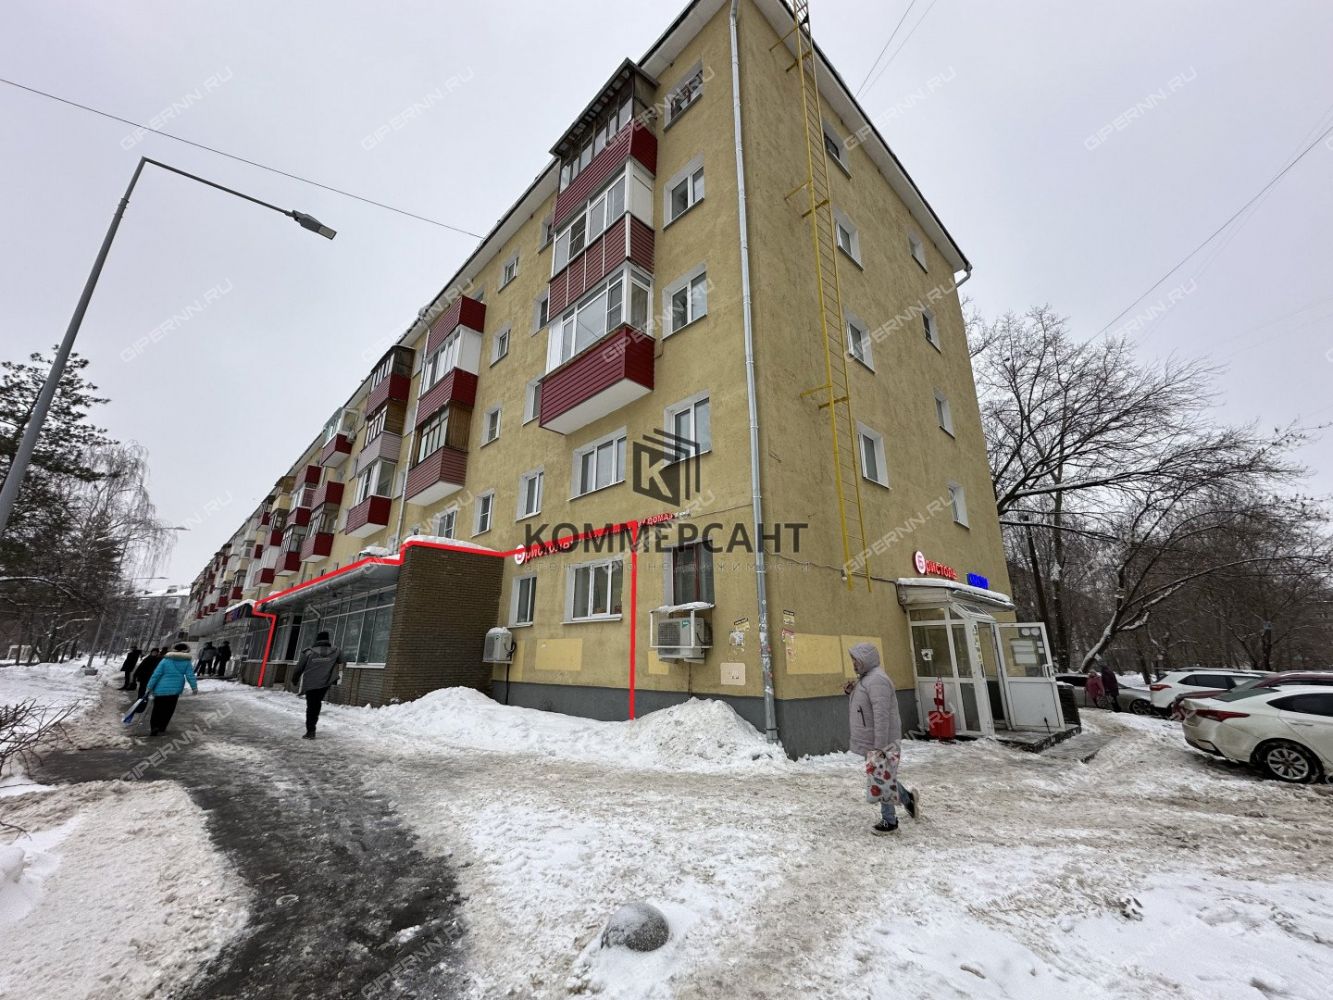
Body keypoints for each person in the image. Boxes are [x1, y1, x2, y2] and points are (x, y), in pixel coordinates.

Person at [845, 643, 917, 836]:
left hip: (881, 742)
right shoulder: (868, 679)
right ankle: (907, 799)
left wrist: (880, 747)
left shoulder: (877, 680)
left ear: (866, 659)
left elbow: (881, 716)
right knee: (882, 777)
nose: (853, 663)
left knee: (881, 778)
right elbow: (865, 706)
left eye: (856, 660)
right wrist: (852, 691)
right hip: (873, 740)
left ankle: (890, 821)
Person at [292, 631, 345, 740]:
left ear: (317, 640)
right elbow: (342, 662)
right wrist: (337, 674)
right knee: (316, 704)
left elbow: (299, 668)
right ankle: (311, 728)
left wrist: (295, 679)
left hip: (310, 683)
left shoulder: (308, 652)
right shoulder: (336, 651)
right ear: (328, 640)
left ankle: (310, 731)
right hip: (325, 683)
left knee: (311, 706)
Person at [144, 642, 198, 736]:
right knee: (169, 710)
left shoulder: (165, 660)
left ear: (174, 649)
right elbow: (190, 675)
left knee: (157, 709)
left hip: (160, 689)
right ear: (186, 651)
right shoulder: (186, 662)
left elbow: (156, 674)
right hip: (175, 690)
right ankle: (162, 727)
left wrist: (149, 687)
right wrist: (194, 687)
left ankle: (154, 727)